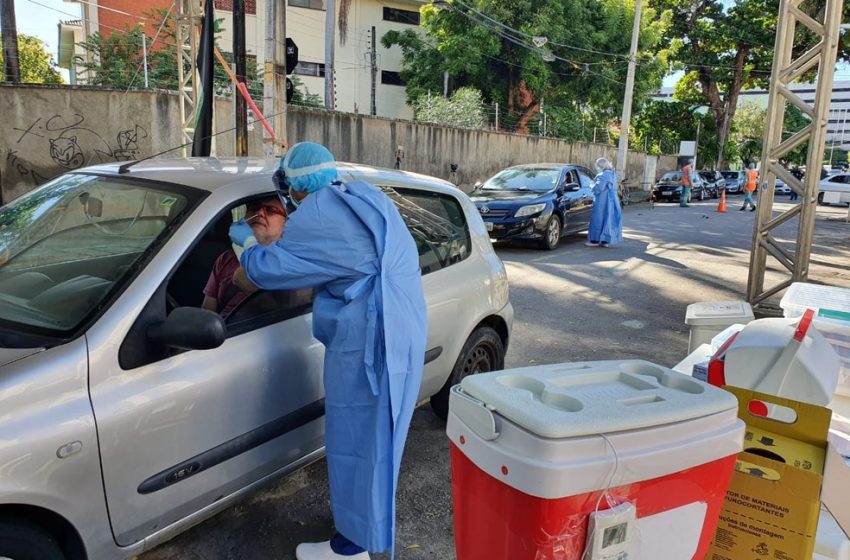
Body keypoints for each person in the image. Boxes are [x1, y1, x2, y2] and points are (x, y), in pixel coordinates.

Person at [229, 142, 428, 560]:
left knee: (360, 441)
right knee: (379, 441)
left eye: (277, 200)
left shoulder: (315, 219)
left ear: (293, 186)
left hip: (372, 341)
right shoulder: (360, 194)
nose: (271, 211)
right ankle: (361, 533)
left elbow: (267, 270)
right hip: (403, 324)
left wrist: (247, 245)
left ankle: (351, 547)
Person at [201, 195, 287, 318]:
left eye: (270, 210)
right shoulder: (226, 258)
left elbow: (289, 317)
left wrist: (254, 290)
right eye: (254, 208)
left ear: (286, 223)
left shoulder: (289, 264)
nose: (259, 213)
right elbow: (207, 312)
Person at [585, 157, 623, 248]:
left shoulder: (605, 175)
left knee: (597, 220)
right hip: (611, 201)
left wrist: (591, 184)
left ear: (601, 166)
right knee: (608, 221)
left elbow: (598, 188)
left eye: (598, 166)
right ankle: (605, 241)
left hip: (602, 201)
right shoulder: (612, 174)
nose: (597, 168)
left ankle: (594, 240)